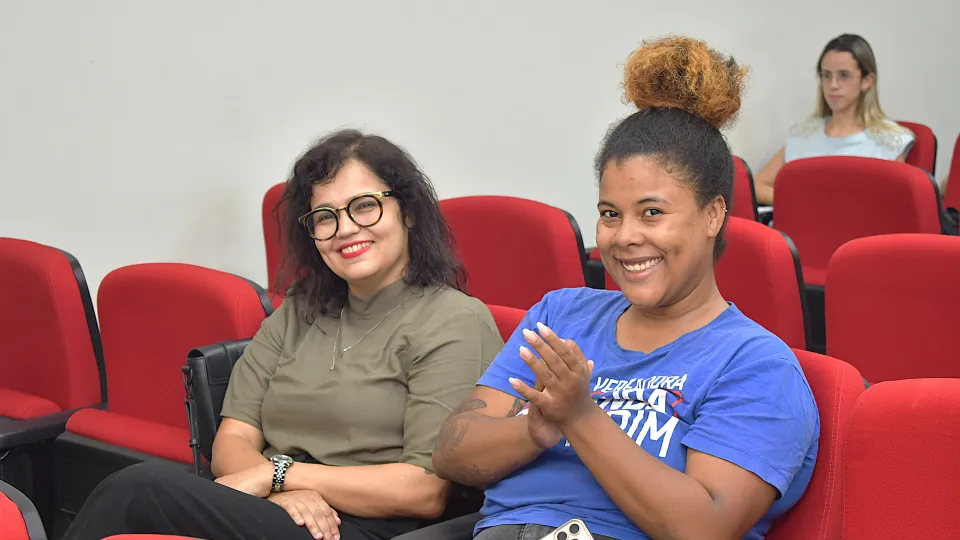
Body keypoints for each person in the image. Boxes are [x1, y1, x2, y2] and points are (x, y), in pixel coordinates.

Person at [432, 36, 820, 540]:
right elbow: (451, 455)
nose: (626, 236)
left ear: (713, 215)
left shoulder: (755, 365)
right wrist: (533, 430)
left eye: (652, 213)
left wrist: (579, 417)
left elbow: (704, 528)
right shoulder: (562, 315)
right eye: (610, 214)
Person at [63, 130, 504, 540]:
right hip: (284, 512)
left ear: (406, 211)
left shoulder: (454, 321)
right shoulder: (301, 308)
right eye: (324, 217)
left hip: (369, 527)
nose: (346, 228)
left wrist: (279, 475)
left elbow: (423, 491)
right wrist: (280, 490)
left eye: (365, 205)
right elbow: (232, 440)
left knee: (140, 488)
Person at [753, 33, 914, 205]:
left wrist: (834, 209)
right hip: (803, 227)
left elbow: (899, 203)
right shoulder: (805, 134)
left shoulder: (889, 141)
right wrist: (805, 204)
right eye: (826, 75)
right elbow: (758, 185)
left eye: (844, 75)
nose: (833, 85)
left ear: (867, 81)